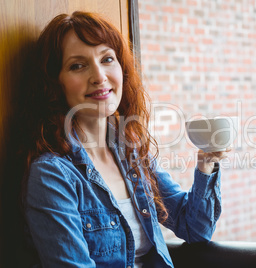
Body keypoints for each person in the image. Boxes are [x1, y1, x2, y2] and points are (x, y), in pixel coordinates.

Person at [23, 11, 230, 267]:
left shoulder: (132, 153)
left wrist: (207, 163)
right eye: (78, 65)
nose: (99, 76)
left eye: (107, 59)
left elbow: (194, 228)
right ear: (56, 84)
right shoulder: (52, 176)